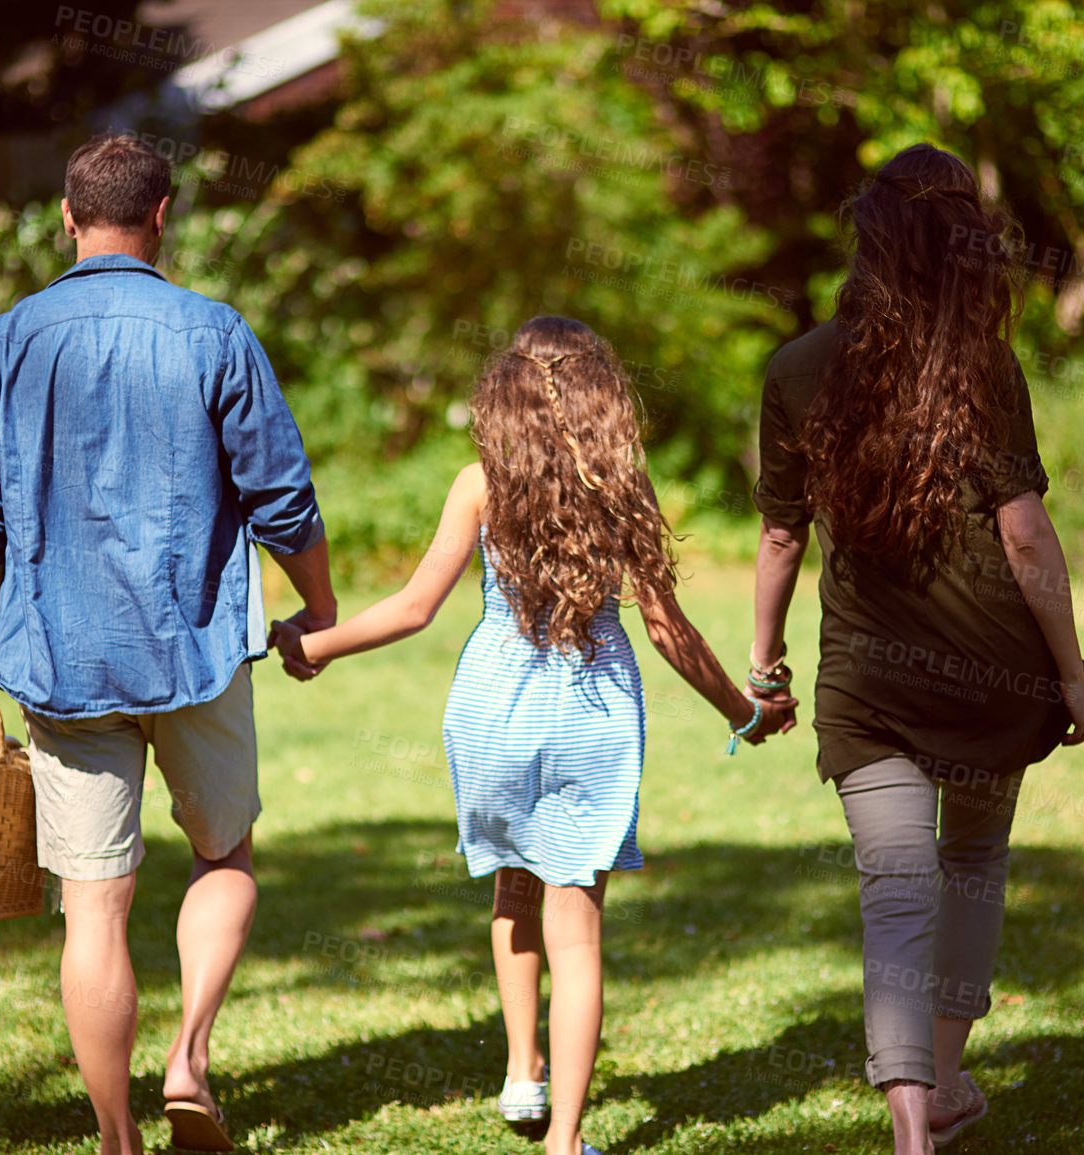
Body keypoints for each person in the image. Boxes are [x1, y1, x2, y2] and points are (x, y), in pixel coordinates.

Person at [0, 132, 337, 1155]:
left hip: (63, 661)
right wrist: (317, 611)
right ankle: (188, 1058)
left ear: (65, 217)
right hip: (194, 652)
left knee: (94, 907)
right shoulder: (215, 333)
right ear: (163, 212)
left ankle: (114, 1138)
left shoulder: (1, 344)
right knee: (223, 852)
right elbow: (283, 497)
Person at [269, 316, 793, 1155]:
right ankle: (564, 1141)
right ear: (599, 395)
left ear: (503, 396)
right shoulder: (622, 482)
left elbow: (412, 607)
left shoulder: (479, 483)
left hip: (492, 715)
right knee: (575, 929)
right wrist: (742, 709)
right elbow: (666, 629)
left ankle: (522, 1073)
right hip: (592, 720)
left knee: (512, 888)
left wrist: (314, 644)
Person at [746, 143, 1084, 1155]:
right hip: (994, 680)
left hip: (868, 687)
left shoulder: (797, 368)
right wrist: (1071, 679)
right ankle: (945, 1082)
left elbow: (780, 535)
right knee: (973, 863)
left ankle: (911, 1133)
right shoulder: (984, 366)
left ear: (867, 240)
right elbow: (1025, 533)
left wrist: (764, 666)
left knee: (894, 890)